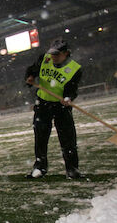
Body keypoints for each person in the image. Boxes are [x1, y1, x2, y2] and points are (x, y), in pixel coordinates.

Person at [24, 38, 83, 179]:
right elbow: (32, 70)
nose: (53, 57)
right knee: (41, 138)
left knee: (68, 139)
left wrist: (68, 98)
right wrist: (30, 77)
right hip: (43, 104)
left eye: (57, 55)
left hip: (61, 107)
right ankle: (39, 168)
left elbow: (72, 89)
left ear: (66, 54)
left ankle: (72, 169)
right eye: (52, 54)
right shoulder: (45, 59)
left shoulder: (75, 69)